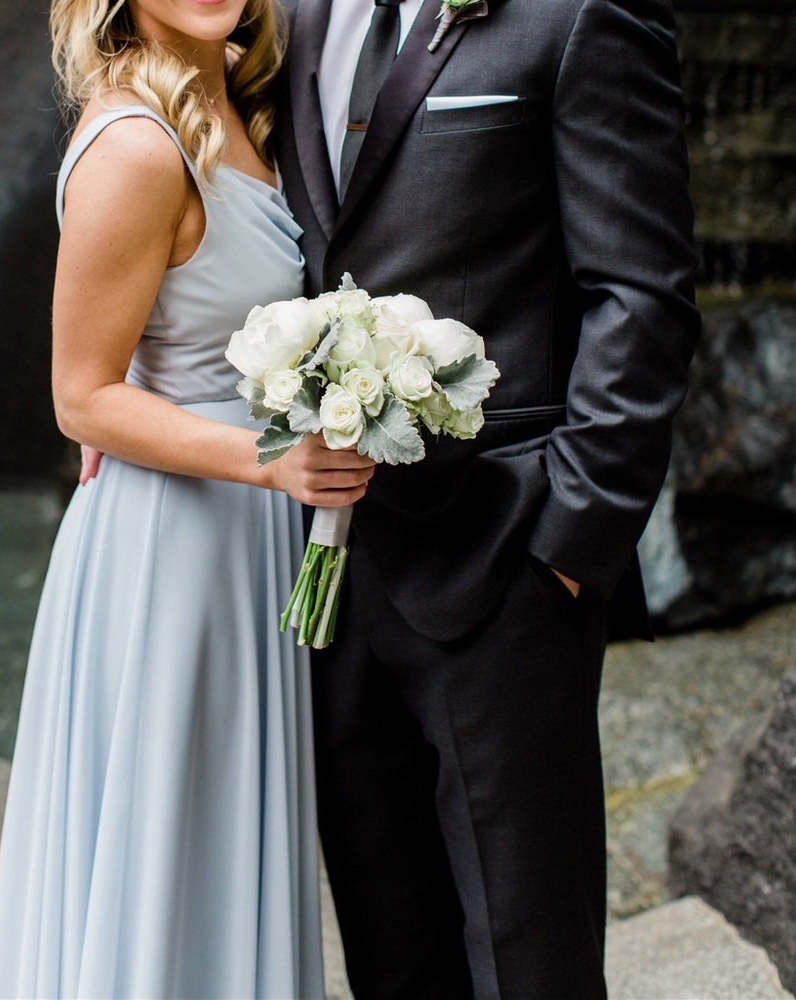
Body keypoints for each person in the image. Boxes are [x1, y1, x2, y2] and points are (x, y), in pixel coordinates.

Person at [268, 0, 700, 997]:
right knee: (390, 957)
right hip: (322, 569)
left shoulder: (579, 13)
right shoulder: (278, 19)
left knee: (528, 960)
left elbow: (641, 295)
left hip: (505, 559)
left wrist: (567, 546)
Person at [0, 0, 374, 997]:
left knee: (216, 844)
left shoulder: (245, 100)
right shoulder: (136, 144)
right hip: (173, 548)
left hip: (245, 535)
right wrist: (269, 462)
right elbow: (81, 397)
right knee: (166, 847)